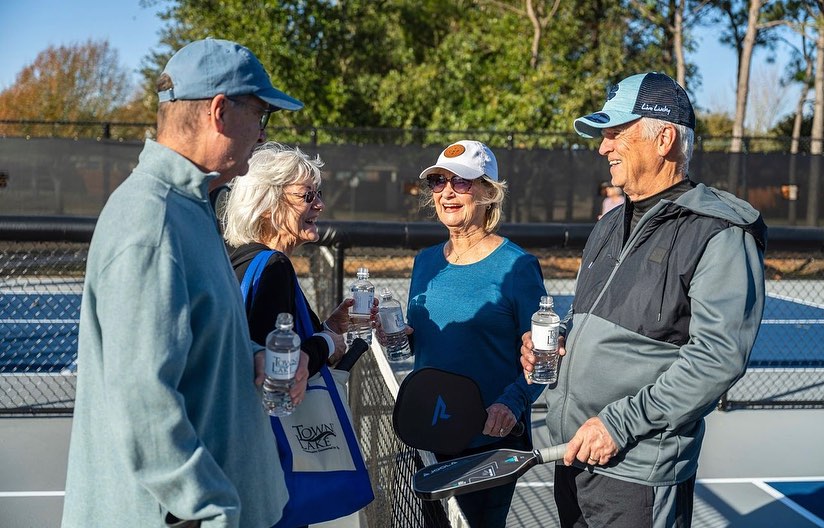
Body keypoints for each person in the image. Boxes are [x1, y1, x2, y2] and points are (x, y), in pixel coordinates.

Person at [62, 38, 305, 528]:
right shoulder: (152, 221)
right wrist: (212, 509)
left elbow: (182, 351)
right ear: (220, 111)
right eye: (261, 115)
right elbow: (144, 403)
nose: (261, 134)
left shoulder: (187, 206)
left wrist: (248, 357)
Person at [520, 72, 767, 527]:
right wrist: (555, 345)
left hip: (638, 473)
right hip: (573, 456)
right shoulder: (609, 225)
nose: (602, 147)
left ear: (664, 139)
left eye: (615, 134)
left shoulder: (720, 233)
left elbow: (718, 358)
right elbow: (590, 322)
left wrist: (621, 424)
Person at [405, 140, 547, 527]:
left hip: (487, 443)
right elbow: (426, 341)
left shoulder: (518, 267)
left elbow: (544, 358)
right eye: (438, 182)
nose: (447, 192)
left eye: (462, 183)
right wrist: (399, 338)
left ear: (488, 192)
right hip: (427, 434)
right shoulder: (425, 262)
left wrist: (512, 403)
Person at [222, 142, 352, 379]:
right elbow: (277, 365)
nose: (320, 205)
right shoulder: (274, 266)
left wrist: (329, 327)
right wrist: (328, 344)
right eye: (307, 195)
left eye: (318, 194)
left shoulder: (240, 258)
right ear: (267, 206)